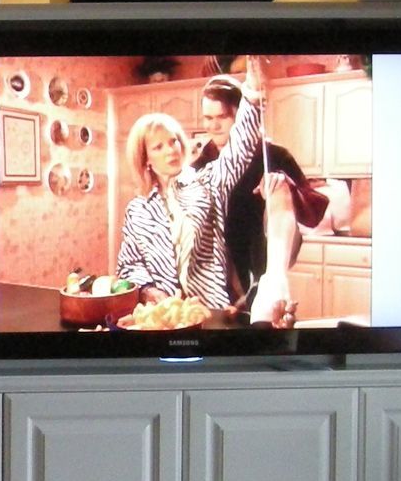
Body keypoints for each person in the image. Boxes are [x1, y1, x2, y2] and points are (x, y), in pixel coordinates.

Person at [115, 64, 266, 310]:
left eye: (173, 141)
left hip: (209, 310)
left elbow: (238, 151)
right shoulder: (137, 210)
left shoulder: (207, 182)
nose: (170, 150)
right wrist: (148, 291)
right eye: (158, 147)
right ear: (146, 160)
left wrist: (252, 92)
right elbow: (129, 264)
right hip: (164, 315)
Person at [192, 73, 330, 317]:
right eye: (208, 118)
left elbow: (313, 214)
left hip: (265, 269)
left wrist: (285, 185)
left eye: (222, 117)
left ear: (241, 114)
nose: (213, 126)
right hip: (219, 275)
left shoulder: (274, 156)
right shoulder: (200, 164)